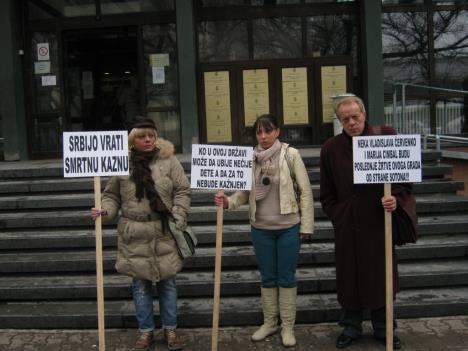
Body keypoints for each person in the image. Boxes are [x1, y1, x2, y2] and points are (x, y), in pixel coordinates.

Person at [319, 96, 417, 349]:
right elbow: (326, 193)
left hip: (378, 224)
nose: (352, 122)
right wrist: (338, 215)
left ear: (364, 113)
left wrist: (395, 199)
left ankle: (385, 329)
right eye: (345, 119)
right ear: (339, 121)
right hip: (348, 226)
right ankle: (350, 328)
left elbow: (404, 182)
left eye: (355, 117)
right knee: (349, 278)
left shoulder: (385, 137)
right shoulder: (330, 147)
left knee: (380, 278)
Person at [214, 114, 314, 347]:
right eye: (259, 132)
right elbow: (244, 192)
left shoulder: (291, 155)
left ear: (277, 132)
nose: (263, 136)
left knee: (286, 276)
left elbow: (306, 191)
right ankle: (270, 322)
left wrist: (306, 225)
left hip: (288, 227)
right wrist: (228, 202)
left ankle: (287, 326)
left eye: (268, 131)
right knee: (268, 277)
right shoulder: (250, 159)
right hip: (261, 228)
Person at [91, 117, 190, 351]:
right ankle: (145, 332)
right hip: (133, 233)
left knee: (168, 284)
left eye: (151, 136)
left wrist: (178, 214)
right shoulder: (121, 162)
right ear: (132, 139)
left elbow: (182, 189)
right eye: (141, 136)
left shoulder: (169, 160)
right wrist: (106, 211)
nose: (147, 140)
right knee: (140, 286)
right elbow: (112, 195)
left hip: (163, 230)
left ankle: (170, 330)